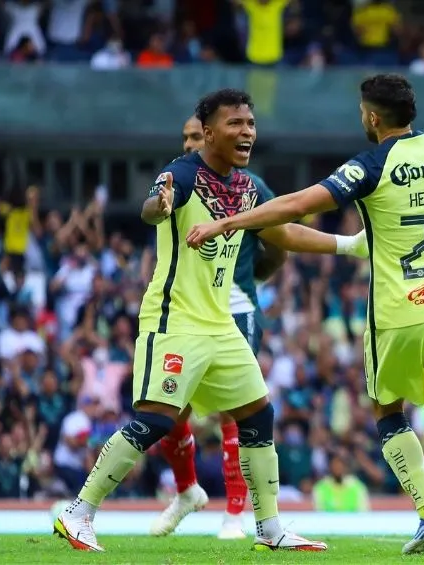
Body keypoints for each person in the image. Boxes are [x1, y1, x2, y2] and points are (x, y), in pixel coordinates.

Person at [186, 73, 424, 558]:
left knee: (385, 408)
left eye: (361, 112)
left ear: (373, 117)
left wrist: (228, 221)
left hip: (399, 309)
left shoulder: (370, 165)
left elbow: (294, 205)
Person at [54, 89, 367, 553]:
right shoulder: (180, 174)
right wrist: (158, 206)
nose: (247, 132)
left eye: (250, 123)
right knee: (154, 422)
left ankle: (270, 528)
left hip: (220, 325)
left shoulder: (247, 186)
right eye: (235, 124)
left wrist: (349, 245)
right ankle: (77, 513)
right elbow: (153, 205)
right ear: (207, 132)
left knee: (258, 414)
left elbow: (283, 232)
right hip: (174, 320)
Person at [153, 115, 349, 540]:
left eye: (195, 137)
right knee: (169, 413)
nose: (189, 145)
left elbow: (280, 240)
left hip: (233, 307)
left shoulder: (247, 186)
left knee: (238, 411)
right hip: (184, 312)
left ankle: (235, 516)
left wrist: (254, 279)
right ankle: (187, 491)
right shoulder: (178, 182)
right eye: (185, 138)